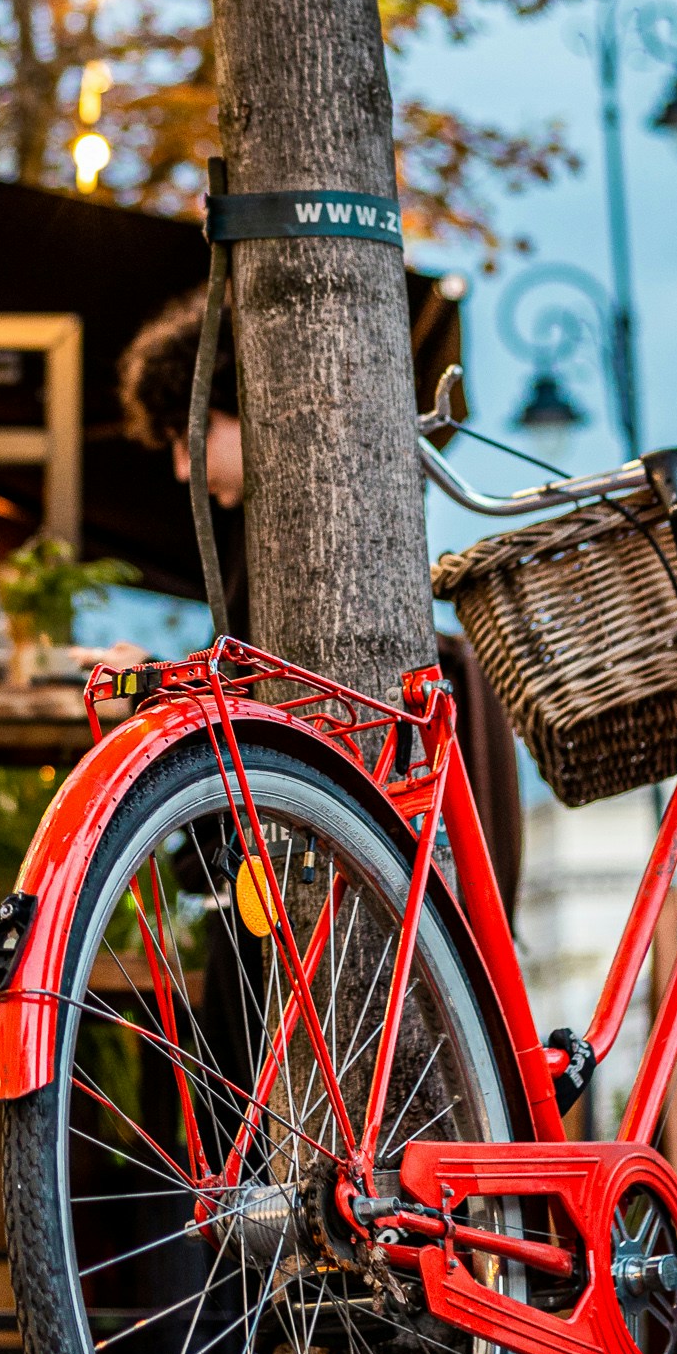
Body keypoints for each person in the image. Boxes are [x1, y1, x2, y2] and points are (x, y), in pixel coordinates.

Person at [117, 284, 523, 912]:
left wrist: (147, 681)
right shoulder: (279, 522)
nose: (181, 468)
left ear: (240, 403)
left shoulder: (287, 533)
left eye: (186, 436)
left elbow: (262, 690)